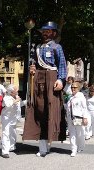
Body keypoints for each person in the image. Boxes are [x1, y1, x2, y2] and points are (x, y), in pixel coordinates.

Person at [22, 21, 67, 157]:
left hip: (52, 79)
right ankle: (42, 145)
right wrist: (32, 68)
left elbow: (62, 66)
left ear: (53, 33)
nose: (45, 34)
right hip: (38, 79)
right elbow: (34, 63)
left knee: (51, 110)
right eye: (43, 32)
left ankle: (50, 140)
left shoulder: (57, 47)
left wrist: (61, 80)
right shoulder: (37, 47)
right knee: (39, 110)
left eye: (48, 31)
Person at [0, 84, 26, 158]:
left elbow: (19, 104)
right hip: (6, 118)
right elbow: (8, 105)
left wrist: (26, 102)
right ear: (11, 92)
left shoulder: (16, 97)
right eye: (16, 90)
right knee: (6, 133)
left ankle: (12, 147)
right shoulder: (6, 98)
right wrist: (16, 100)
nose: (17, 91)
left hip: (13, 118)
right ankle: (5, 151)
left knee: (13, 133)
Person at [66, 82, 88, 157]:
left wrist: (85, 117)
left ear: (78, 89)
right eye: (72, 87)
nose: (73, 89)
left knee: (79, 133)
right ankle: (73, 149)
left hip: (78, 118)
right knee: (72, 134)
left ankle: (80, 146)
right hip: (70, 118)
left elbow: (84, 108)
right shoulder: (71, 97)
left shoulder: (81, 97)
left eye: (74, 88)